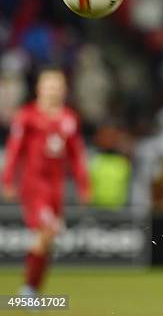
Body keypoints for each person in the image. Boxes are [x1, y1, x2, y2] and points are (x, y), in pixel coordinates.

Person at [1, 67, 90, 295]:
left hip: (55, 188)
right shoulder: (27, 116)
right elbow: (14, 150)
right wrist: (7, 179)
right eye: (49, 85)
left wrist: (83, 184)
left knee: (46, 240)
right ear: (39, 88)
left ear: (65, 90)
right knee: (46, 232)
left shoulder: (69, 118)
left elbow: (76, 155)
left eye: (58, 86)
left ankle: (32, 290)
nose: (54, 90)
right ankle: (28, 290)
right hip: (33, 185)